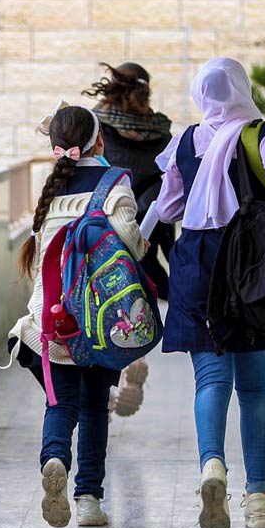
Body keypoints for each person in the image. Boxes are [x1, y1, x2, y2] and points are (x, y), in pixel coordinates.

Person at [141, 58, 265, 528]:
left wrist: (141, 233)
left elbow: (170, 204)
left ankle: (211, 466)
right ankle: (258, 498)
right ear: (242, 86)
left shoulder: (185, 142)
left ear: (201, 95)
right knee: (256, 387)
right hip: (251, 269)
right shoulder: (258, 135)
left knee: (210, 381)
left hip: (198, 264)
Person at [7, 104, 145, 528]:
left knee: (60, 404)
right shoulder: (113, 183)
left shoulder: (52, 192)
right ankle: (88, 500)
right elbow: (130, 242)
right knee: (93, 410)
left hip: (51, 325)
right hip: (100, 325)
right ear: (99, 141)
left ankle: (54, 461)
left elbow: (39, 258)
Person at [82, 62, 174, 416]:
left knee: (100, 302)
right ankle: (134, 357)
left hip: (106, 226)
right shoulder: (162, 129)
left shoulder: (97, 125)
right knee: (141, 295)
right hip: (152, 228)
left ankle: (105, 374)